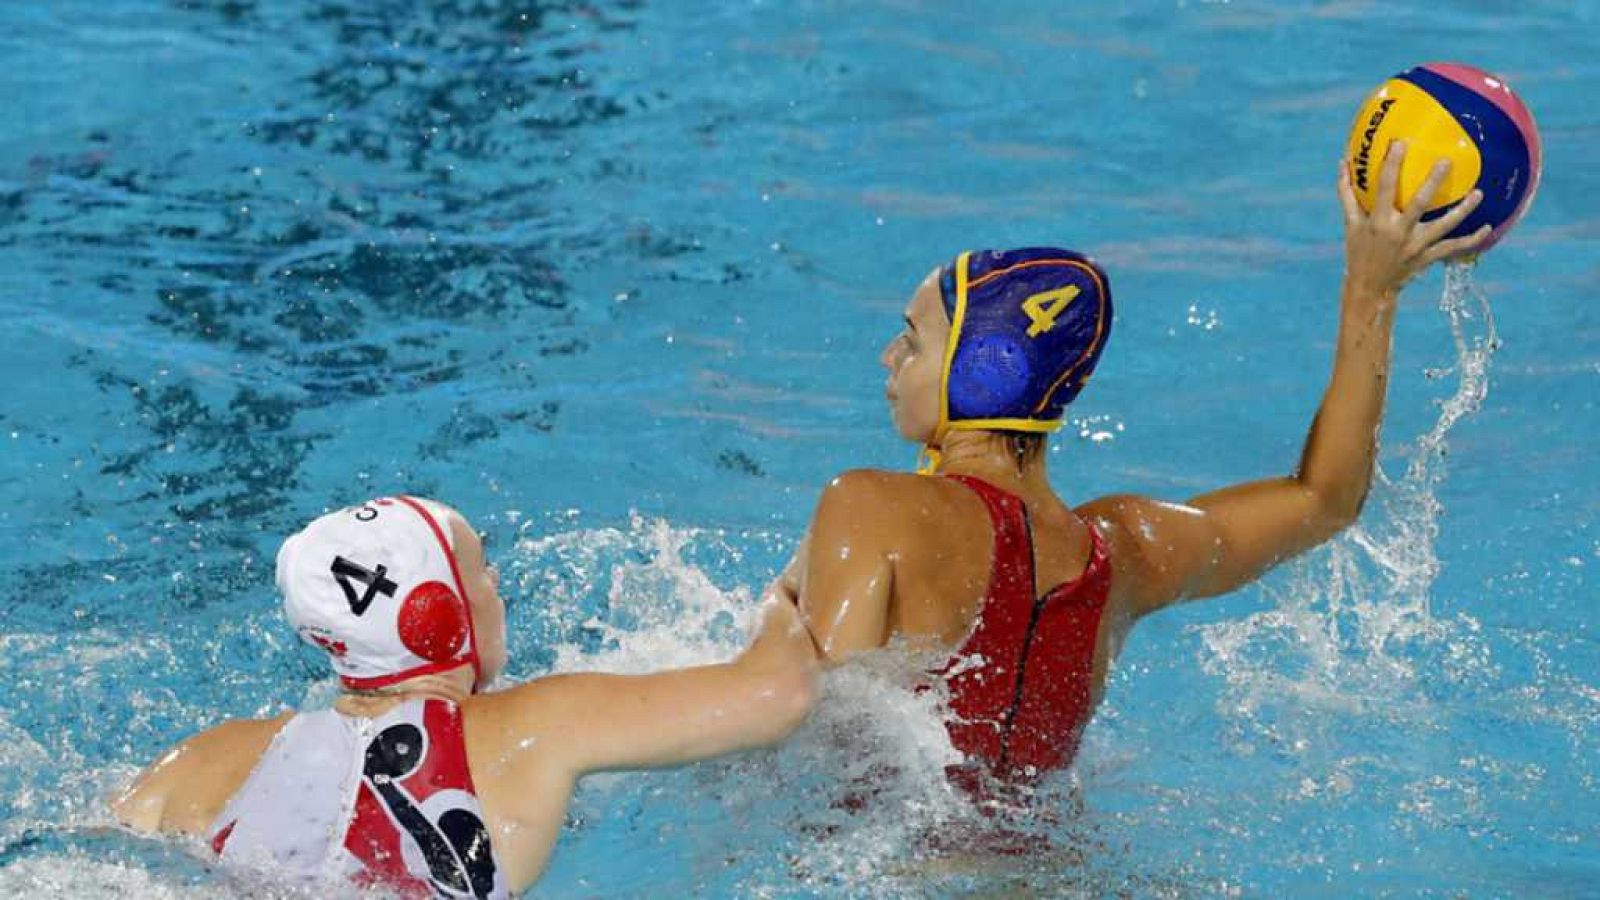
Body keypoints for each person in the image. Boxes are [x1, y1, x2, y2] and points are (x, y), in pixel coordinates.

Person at [776, 142, 1490, 789]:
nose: (888, 358)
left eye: (911, 340)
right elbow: (1325, 498)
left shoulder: (871, 507)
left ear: (984, 370)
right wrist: (1373, 290)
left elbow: (810, 737)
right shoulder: (1125, 555)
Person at [111, 495, 816, 898]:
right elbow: (777, 695)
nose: (498, 588)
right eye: (482, 571)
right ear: (435, 613)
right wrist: (788, 595)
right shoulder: (535, 725)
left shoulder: (206, 757)